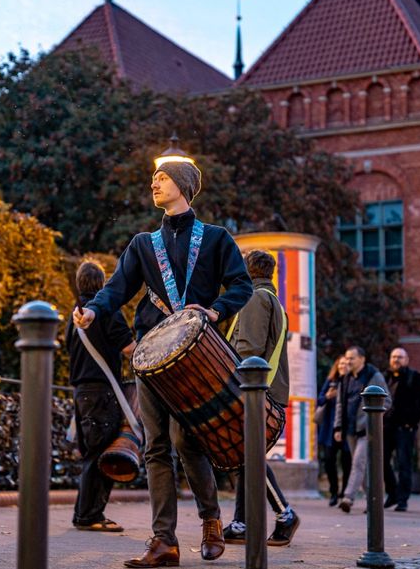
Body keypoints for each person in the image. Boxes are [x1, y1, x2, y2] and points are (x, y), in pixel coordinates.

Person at [74, 157, 252, 568]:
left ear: (184, 185)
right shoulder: (142, 244)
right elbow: (117, 288)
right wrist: (94, 311)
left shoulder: (215, 239)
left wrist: (216, 310)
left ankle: (211, 520)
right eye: (153, 177)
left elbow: (241, 286)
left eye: (163, 177)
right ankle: (163, 541)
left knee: (188, 442)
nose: (154, 183)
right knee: (156, 447)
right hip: (152, 357)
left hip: (198, 355)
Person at [222, 250, 300, 547]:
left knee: (249, 456)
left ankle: (285, 514)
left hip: (255, 392)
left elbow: (248, 349)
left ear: (248, 272)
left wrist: (229, 384)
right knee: (246, 456)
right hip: (269, 390)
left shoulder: (255, 299)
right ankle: (242, 523)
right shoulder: (273, 301)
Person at [66, 261, 136, 533]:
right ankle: (89, 516)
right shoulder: (107, 311)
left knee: (90, 452)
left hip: (81, 393)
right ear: (103, 283)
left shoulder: (74, 315)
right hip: (103, 392)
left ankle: (84, 513)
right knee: (101, 453)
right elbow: (130, 349)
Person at [333, 346, 388, 514]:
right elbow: (340, 404)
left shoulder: (374, 376)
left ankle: (348, 497)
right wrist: (338, 426)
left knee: (358, 463)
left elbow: (387, 401)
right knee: (362, 468)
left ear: (362, 359)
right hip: (349, 429)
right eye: (347, 358)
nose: (348, 361)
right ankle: (374, 500)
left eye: (352, 358)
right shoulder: (345, 378)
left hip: (367, 430)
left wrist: (372, 420)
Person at [383, 347, 420, 512]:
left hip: (405, 427)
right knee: (381, 461)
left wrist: (411, 422)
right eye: (393, 356)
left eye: (400, 357)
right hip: (386, 426)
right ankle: (392, 493)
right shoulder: (384, 377)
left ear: (406, 360)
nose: (396, 360)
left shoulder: (415, 377)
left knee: (404, 463)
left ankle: (403, 499)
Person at [317, 355, 351, 507]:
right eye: (341, 364)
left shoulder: (353, 383)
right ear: (337, 366)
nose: (343, 366)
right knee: (329, 461)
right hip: (329, 428)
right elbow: (319, 400)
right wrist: (328, 396)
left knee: (347, 462)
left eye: (346, 364)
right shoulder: (331, 381)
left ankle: (344, 492)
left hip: (347, 428)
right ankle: (333, 491)